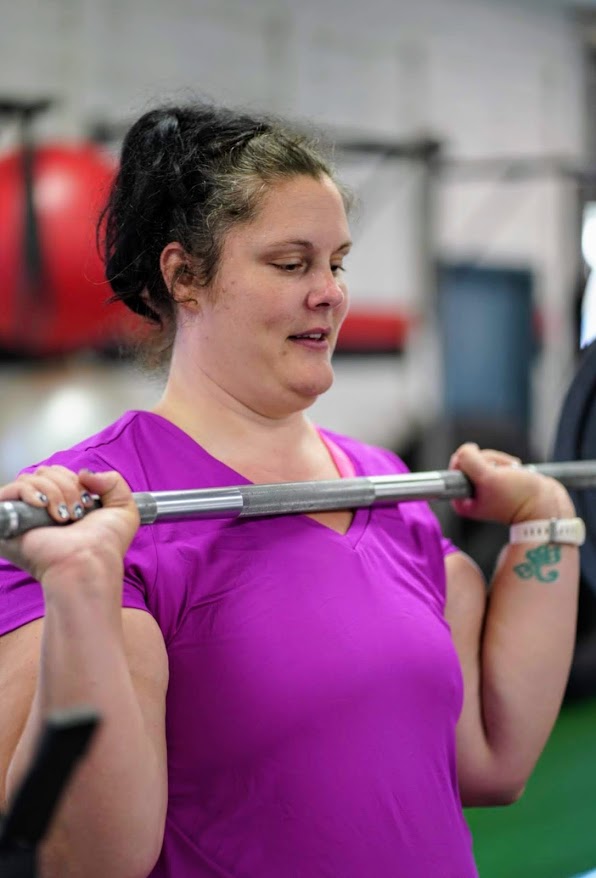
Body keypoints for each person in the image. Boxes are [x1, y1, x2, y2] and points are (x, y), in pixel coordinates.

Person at [0, 102, 580, 878]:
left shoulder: (388, 487)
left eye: (336, 263)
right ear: (184, 276)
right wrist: (79, 589)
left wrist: (546, 520)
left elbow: (491, 761)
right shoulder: (78, 518)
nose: (330, 293)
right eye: (290, 264)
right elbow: (84, 862)